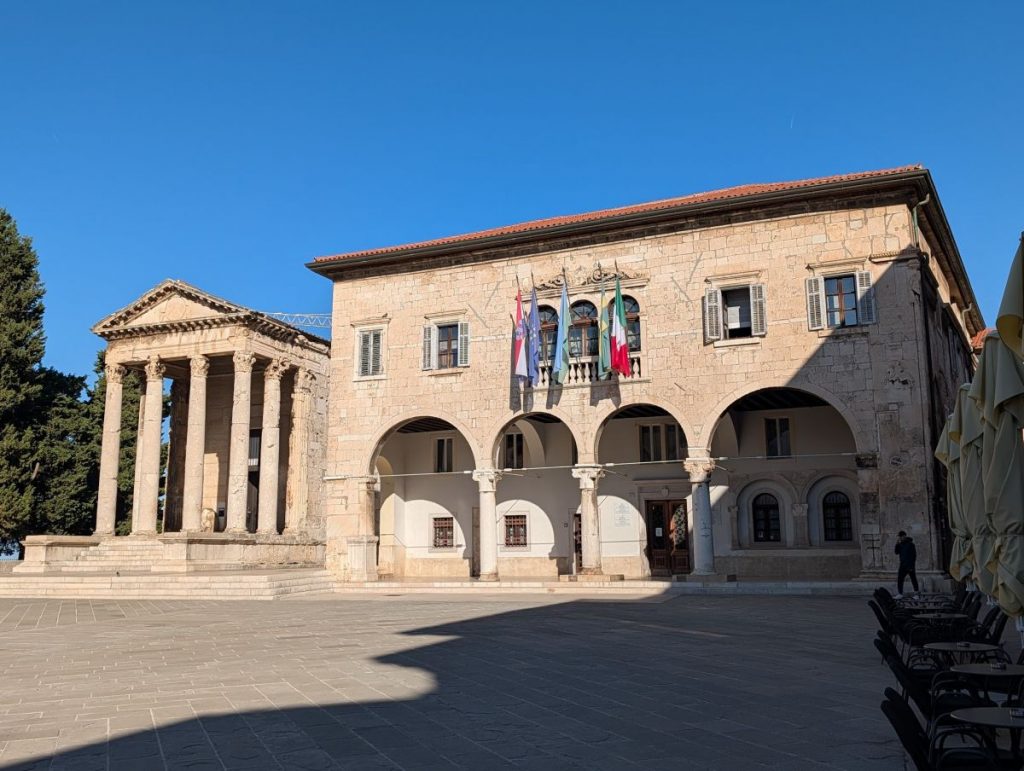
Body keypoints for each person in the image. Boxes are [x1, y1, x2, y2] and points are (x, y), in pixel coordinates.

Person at [894, 530, 919, 599]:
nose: (899, 538)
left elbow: (914, 556)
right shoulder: (900, 544)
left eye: (900, 537)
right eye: (899, 537)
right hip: (902, 565)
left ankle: (916, 594)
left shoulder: (911, 544)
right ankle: (900, 593)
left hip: (910, 565)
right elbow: (896, 552)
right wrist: (897, 544)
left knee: (913, 579)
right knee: (900, 579)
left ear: (904, 536)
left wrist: (911, 566)